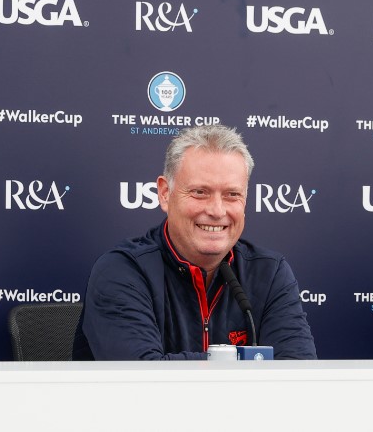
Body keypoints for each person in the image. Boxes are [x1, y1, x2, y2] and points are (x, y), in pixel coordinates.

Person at [74, 125, 317, 360]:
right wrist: (248, 364)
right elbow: (144, 380)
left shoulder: (270, 271)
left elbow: (297, 373)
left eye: (232, 194)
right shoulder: (121, 271)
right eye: (200, 192)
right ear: (164, 193)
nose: (216, 210)